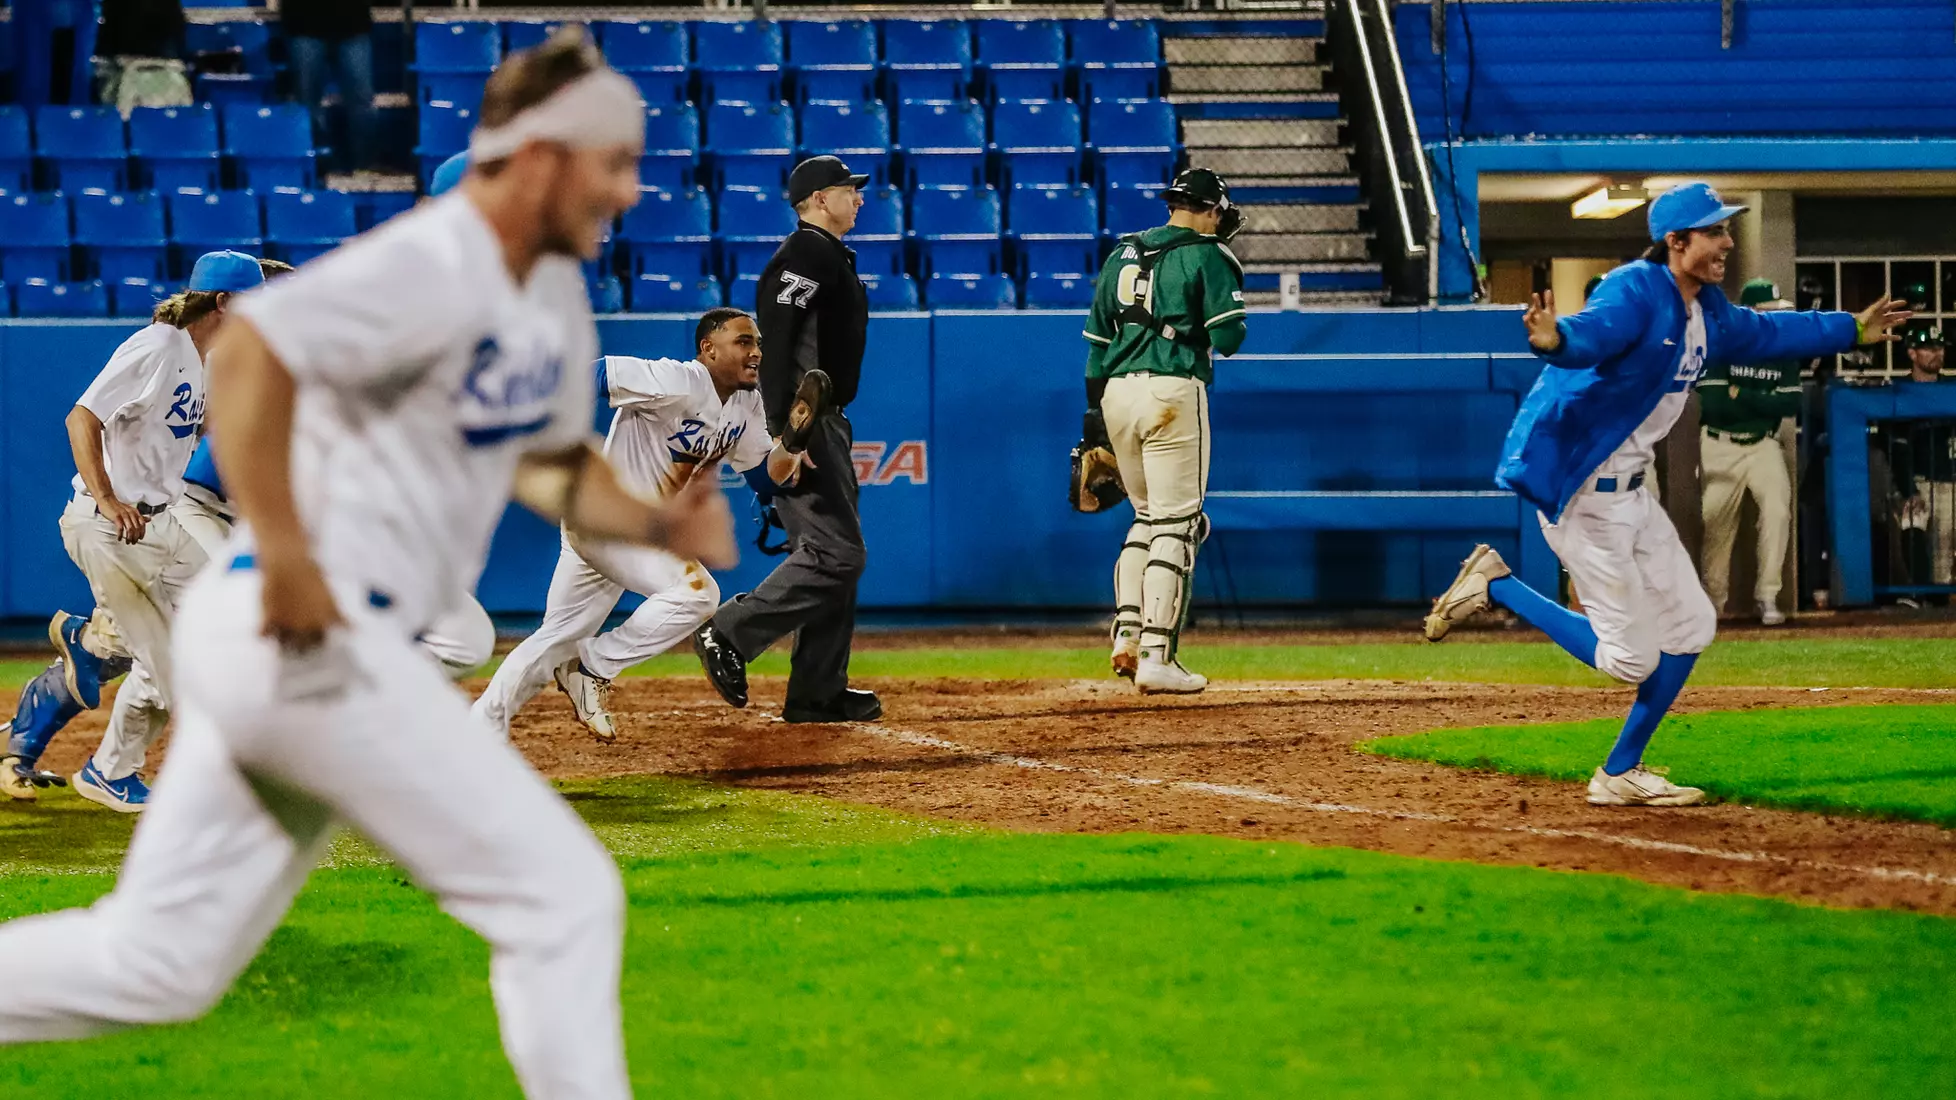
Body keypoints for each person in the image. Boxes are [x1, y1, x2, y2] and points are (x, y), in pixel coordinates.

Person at [0, 35, 736, 1099]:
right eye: (607, 159)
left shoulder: (542, 307)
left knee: (159, 960)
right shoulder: (446, 259)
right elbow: (251, 355)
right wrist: (291, 555)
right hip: (310, 626)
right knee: (563, 893)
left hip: (294, 637)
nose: (626, 186)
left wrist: (660, 528)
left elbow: (546, 462)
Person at [1423, 182, 1908, 807]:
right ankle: (1496, 585)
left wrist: (1851, 329)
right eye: (1715, 232)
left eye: (1726, 230)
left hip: (1630, 497)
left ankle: (1620, 771)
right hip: (1584, 495)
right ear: (1675, 242)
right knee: (1630, 659)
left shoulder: (1707, 309)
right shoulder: (1635, 287)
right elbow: (1594, 334)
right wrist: (1556, 341)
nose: (1728, 242)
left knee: (1692, 625)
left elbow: (1768, 335)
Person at [474, 307, 807, 741]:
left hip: (618, 532)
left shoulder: (746, 402)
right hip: (612, 523)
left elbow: (763, 475)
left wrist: (795, 442)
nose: (756, 351)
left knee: (554, 641)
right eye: (744, 341)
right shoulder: (678, 380)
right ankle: (591, 666)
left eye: (758, 342)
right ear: (708, 349)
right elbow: (596, 374)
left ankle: (477, 733)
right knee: (698, 592)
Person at [50, 250, 264, 812]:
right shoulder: (159, 345)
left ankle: (108, 749)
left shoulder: (197, 354)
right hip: (108, 528)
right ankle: (219, 786)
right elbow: (82, 418)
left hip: (159, 524)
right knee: (176, 670)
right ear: (223, 302)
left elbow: (208, 423)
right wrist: (106, 496)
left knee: (229, 619)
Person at [692, 154, 881, 724]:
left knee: (835, 554)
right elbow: (777, 340)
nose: (860, 197)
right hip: (808, 420)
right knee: (838, 553)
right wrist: (785, 435)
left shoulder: (825, 255)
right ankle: (729, 631)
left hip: (824, 418)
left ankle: (819, 689)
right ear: (821, 199)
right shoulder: (805, 254)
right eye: (850, 189)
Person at [1079, 167, 1246, 694]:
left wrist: (1094, 422)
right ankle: (1157, 654)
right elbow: (1232, 338)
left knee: (1146, 518)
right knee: (1178, 524)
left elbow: (1095, 348)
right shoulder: (1210, 254)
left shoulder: (1121, 252)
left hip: (1115, 395)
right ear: (1212, 209)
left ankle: (1127, 634)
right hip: (1172, 390)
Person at [1698, 277, 1804, 626]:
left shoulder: (1783, 350)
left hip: (1763, 445)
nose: (1774, 318)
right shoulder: (1721, 343)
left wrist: (1740, 395)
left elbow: (1790, 403)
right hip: (1719, 444)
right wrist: (1762, 403)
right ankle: (1713, 603)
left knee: (1777, 511)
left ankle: (1768, 596)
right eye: (1767, 312)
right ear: (1750, 313)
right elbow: (1714, 405)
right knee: (1716, 523)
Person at [1885, 326, 1955, 587]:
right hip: (1919, 481)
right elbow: (1895, 447)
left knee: (1943, 560)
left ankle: (1937, 613)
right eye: (1929, 348)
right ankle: (1919, 598)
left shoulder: (1952, 387)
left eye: (1940, 348)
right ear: (1912, 354)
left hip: (1949, 481)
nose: (1937, 353)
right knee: (1912, 527)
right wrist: (1908, 489)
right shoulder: (1898, 391)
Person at [280, 0, 378, 175]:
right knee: (307, 104)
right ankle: (314, 168)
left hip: (353, 21)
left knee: (362, 101)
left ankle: (364, 167)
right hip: (303, 22)